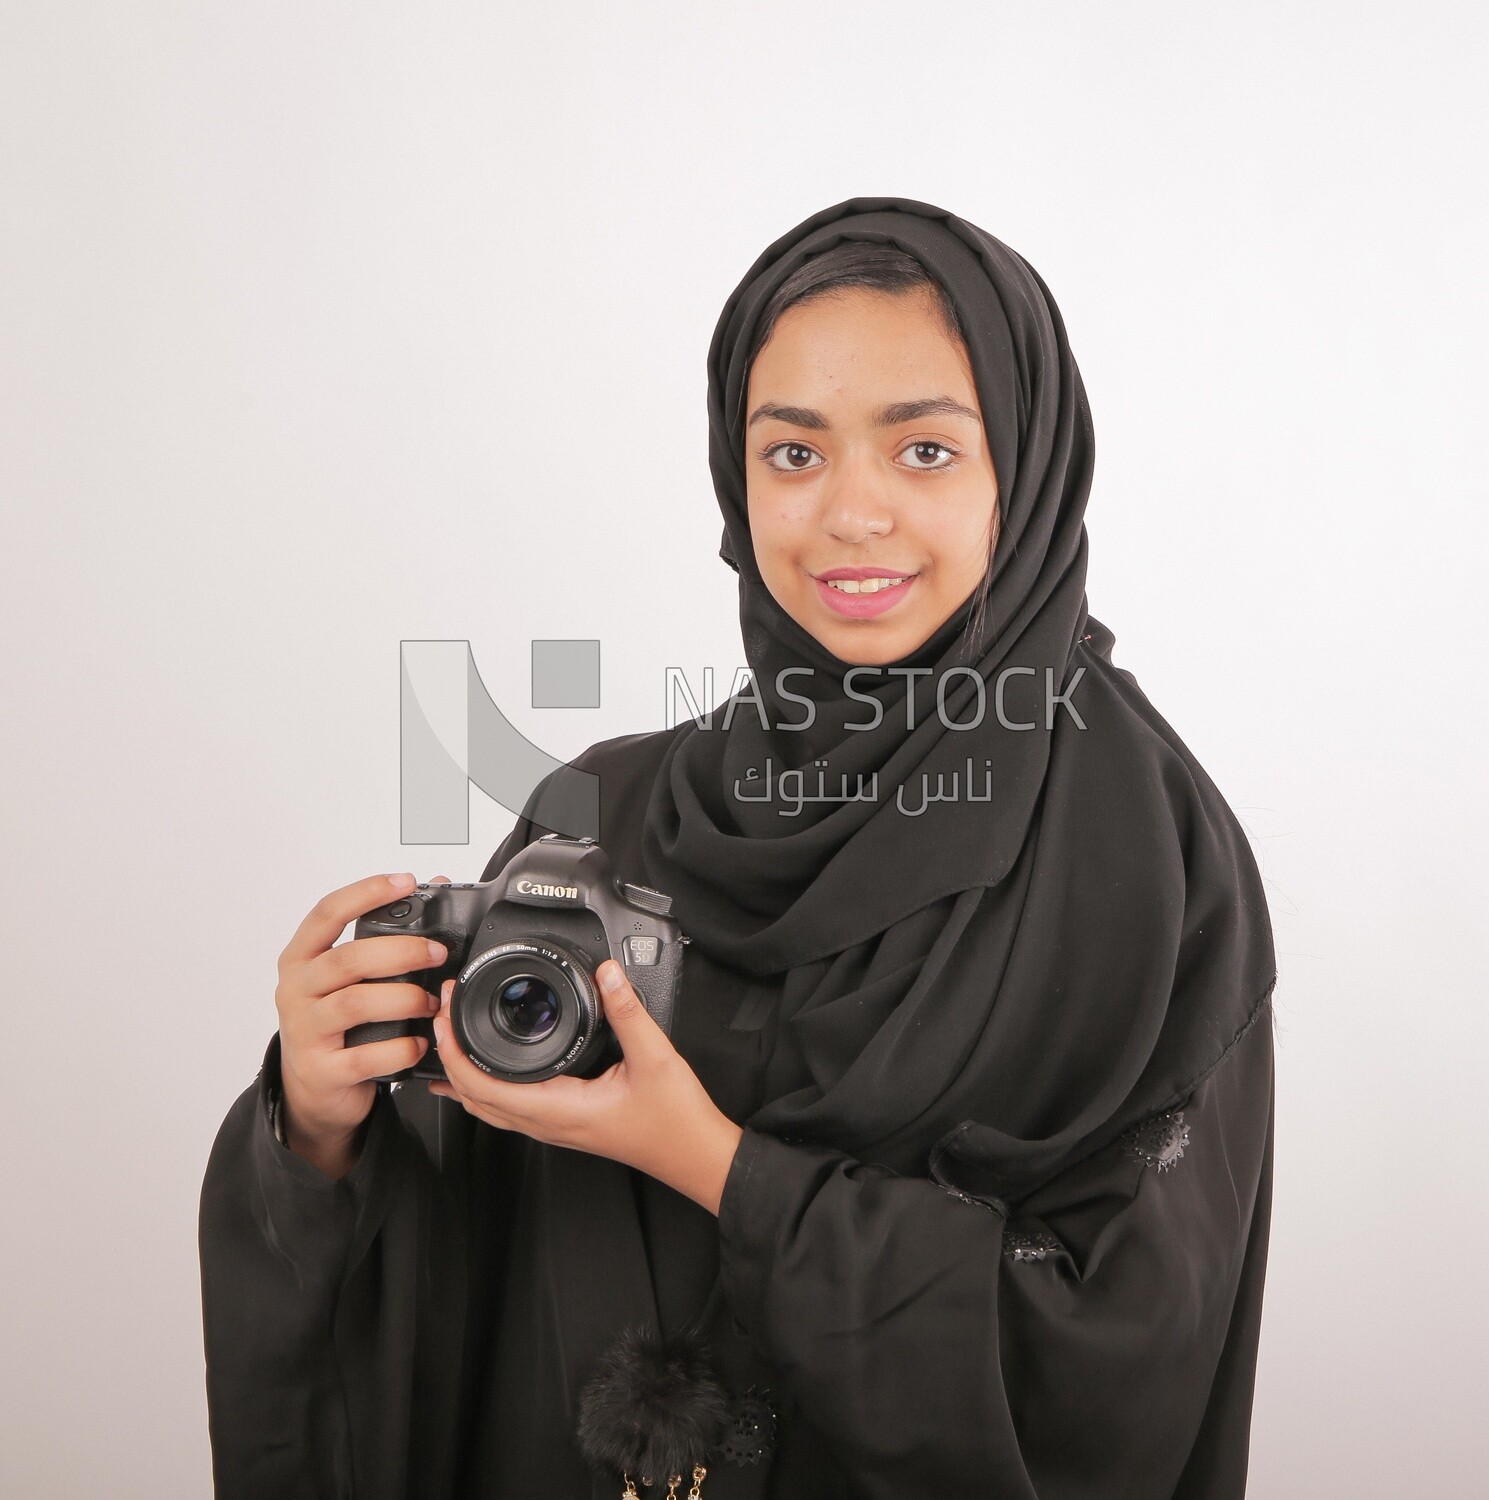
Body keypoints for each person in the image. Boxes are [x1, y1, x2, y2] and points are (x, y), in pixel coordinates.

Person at [199, 196, 1277, 1500]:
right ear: (734, 475)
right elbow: (461, 1277)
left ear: (1028, 469)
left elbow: (1120, 1366)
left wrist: (713, 1167)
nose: (850, 516)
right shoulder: (602, 812)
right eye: (792, 454)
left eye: (925, 451)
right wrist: (316, 1127)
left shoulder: (1145, 867)